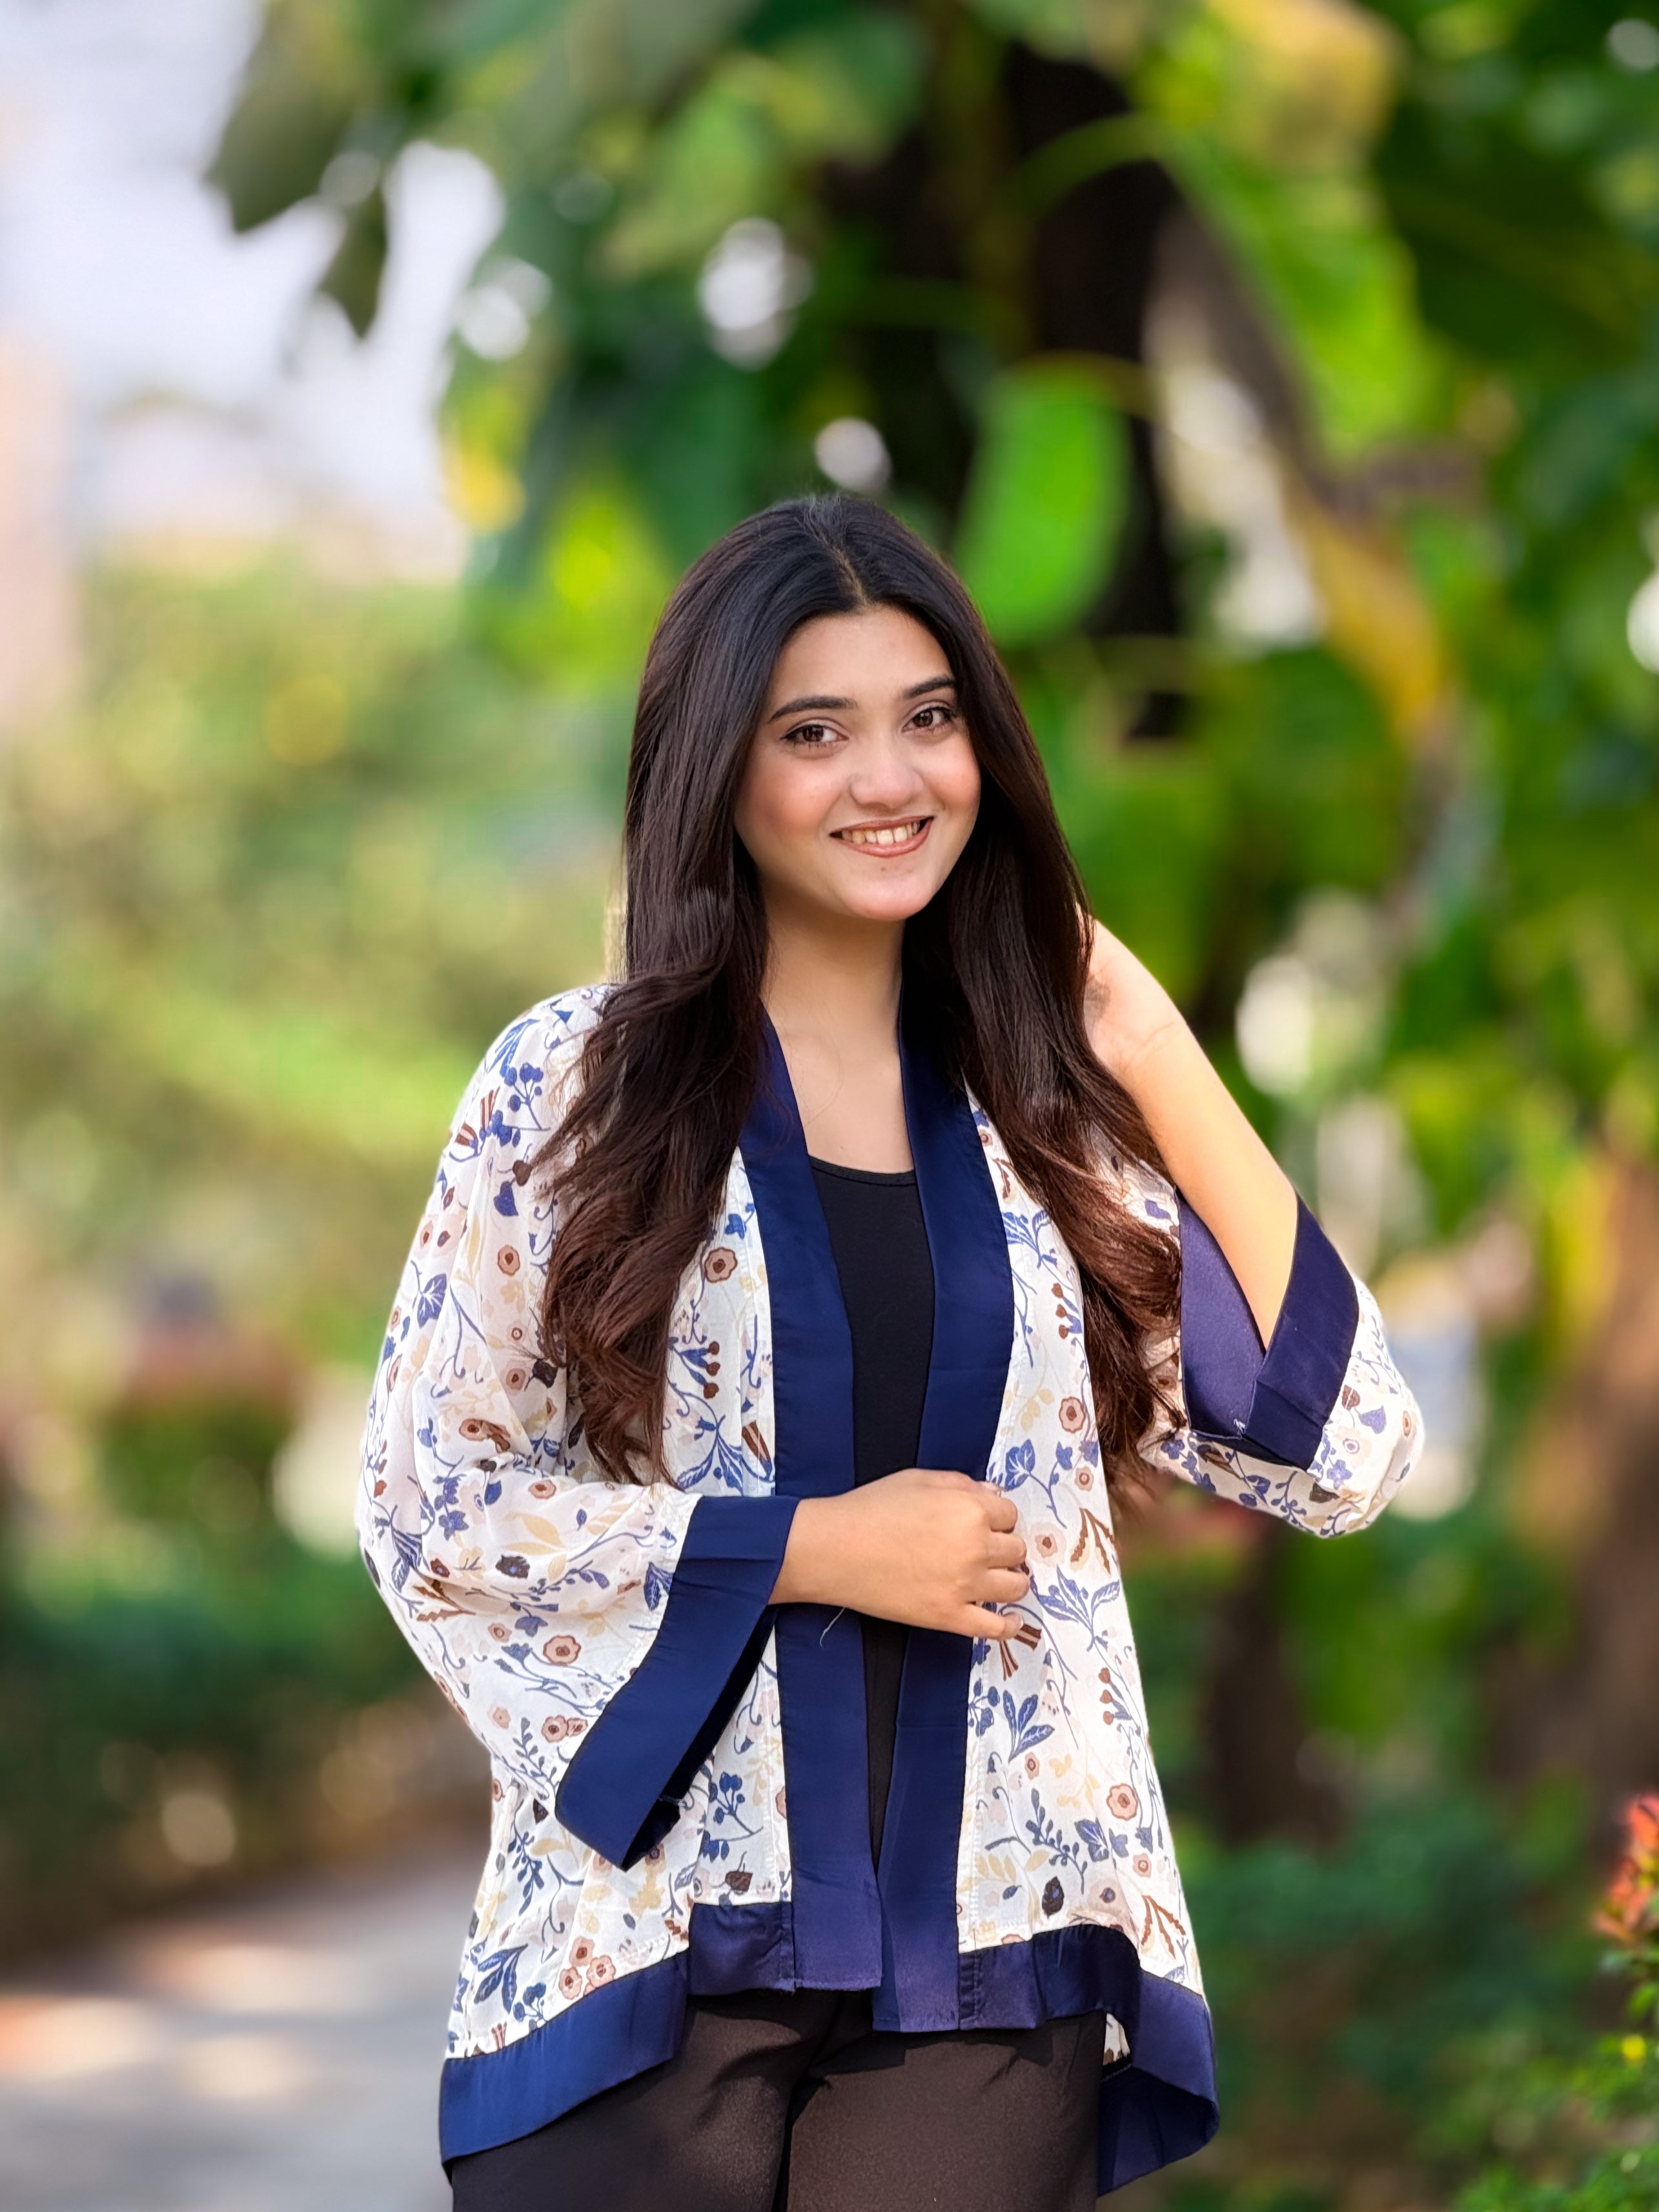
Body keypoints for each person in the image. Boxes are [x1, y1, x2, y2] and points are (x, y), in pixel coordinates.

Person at [360, 494, 1421, 2211]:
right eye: (813, 731)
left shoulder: (1040, 1128)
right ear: (720, 769)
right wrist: (810, 1546)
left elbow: (1344, 1443)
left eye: (929, 719)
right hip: (642, 1950)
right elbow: (431, 1507)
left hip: (985, 1969)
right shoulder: (573, 1087)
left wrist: (1147, 1043)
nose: (888, 777)